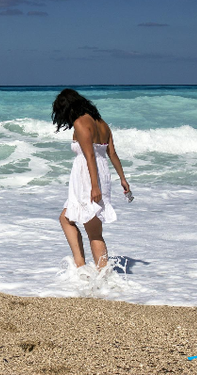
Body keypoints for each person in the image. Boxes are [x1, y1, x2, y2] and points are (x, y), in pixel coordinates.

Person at [52, 88, 131, 270]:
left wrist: (95, 187)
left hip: (89, 177)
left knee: (93, 232)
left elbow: (90, 157)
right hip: (101, 174)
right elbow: (112, 153)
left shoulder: (81, 123)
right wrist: (122, 178)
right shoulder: (102, 124)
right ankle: (84, 268)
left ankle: (101, 275)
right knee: (68, 218)